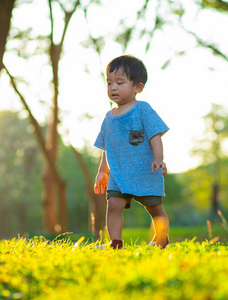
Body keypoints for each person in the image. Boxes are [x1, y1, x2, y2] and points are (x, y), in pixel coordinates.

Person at [94, 55, 170, 249]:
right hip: (118, 174)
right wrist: (103, 171)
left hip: (145, 171)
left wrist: (159, 159)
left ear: (138, 87)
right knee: (113, 206)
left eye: (120, 82)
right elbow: (107, 147)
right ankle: (115, 243)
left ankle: (162, 241)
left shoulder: (142, 109)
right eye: (109, 83)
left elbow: (155, 135)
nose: (113, 87)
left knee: (155, 209)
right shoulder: (108, 118)